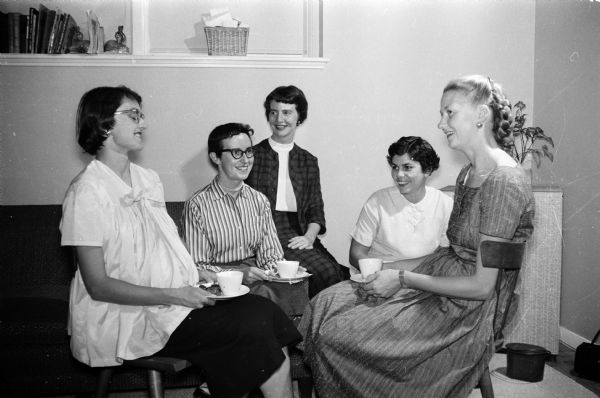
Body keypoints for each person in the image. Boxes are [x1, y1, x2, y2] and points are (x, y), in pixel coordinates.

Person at [299, 75, 535, 397]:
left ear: (481, 115)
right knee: (326, 301)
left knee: (337, 332)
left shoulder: (503, 182)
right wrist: (389, 270)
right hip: (440, 277)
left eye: (449, 113)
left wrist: (402, 278)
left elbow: (481, 287)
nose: (441, 123)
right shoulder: (469, 172)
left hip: (463, 311)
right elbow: (449, 253)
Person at [60, 86, 300, 398]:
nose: (143, 123)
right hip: (125, 314)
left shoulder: (147, 180)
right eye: (133, 115)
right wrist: (176, 294)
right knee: (252, 326)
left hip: (170, 301)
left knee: (264, 312)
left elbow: (162, 250)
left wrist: (199, 274)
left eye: (142, 115)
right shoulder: (86, 191)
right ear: (104, 124)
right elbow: (99, 286)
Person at [183, 123, 307, 316]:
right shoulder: (197, 205)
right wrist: (240, 274)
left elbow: (270, 255)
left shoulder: (259, 200)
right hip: (220, 286)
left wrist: (283, 271)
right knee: (264, 298)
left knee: (295, 285)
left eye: (249, 151)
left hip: (255, 275)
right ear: (215, 157)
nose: (246, 160)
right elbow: (197, 266)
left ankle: (292, 345)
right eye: (236, 153)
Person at [246, 85, 346, 297]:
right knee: (324, 272)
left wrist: (309, 237)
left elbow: (315, 208)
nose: (279, 119)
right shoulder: (253, 156)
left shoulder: (308, 160)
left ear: (299, 117)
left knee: (337, 273)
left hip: (299, 231)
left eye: (287, 112)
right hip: (265, 233)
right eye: (273, 112)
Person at [350, 136, 453, 273]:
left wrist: (397, 272)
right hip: (377, 276)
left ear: (427, 170)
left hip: (424, 279)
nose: (399, 174)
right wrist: (381, 271)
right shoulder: (378, 201)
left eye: (407, 167)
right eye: (395, 167)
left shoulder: (445, 204)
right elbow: (356, 254)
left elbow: (444, 257)